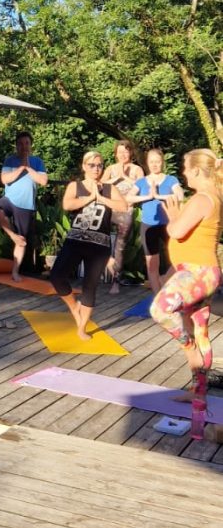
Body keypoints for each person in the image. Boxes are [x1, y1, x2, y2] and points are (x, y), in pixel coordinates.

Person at [150, 149, 223, 375]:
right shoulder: (214, 196)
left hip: (197, 271)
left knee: (160, 310)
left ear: (197, 171)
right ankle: (199, 393)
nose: (184, 173)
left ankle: (190, 350)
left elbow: (176, 231)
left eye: (186, 168)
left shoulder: (202, 198)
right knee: (199, 329)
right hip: (205, 272)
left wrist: (173, 217)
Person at [50, 151, 128, 340]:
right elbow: (67, 205)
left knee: (90, 286)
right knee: (57, 276)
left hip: (99, 246)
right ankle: (74, 307)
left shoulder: (109, 188)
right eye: (92, 165)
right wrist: (90, 197)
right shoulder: (75, 186)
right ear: (84, 166)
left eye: (99, 165)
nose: (96, 168)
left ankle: (82, 327)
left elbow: (123, 206)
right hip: (75, 240)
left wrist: (101, 198)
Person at [0, 131, 48, 280]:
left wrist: (28, 167)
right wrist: (20, 167)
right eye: (20, 144)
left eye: (26, 143)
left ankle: (15, 272)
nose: (24, 146)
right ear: (16, 146)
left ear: (30, 145)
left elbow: (43, 181)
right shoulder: (10, 161)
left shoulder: (37, 162)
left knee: (22, 241)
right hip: (9, 200)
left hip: (26, 205)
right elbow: (5, 179)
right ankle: (13, 236)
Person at [131, 149, 183, 294]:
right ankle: (157, 296)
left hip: (168, 225)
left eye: (157, 161)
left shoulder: (171, 180)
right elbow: (128, 198)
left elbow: (179, 195)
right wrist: (148, 196)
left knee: (178, 258)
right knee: (152, 264)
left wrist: (159, 196)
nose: (154, 164)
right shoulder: (141, 182)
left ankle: (166, 283)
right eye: (151, 162)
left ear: (162, 162)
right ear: (147, 163)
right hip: (148, 226)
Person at [102, 139, 144, 293]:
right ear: (115, 154)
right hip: (109, 210)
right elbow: (100, 186)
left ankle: (116, 281)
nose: (123, 155)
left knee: (120, 247)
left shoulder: (137, 169)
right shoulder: (110, 169)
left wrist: (125, 177)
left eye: (126, 151)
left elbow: (141, 188)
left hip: (126, 211)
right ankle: (106, 264)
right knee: (100, 241)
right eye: (120, 152)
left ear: (131, 152)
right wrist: (116, 177)